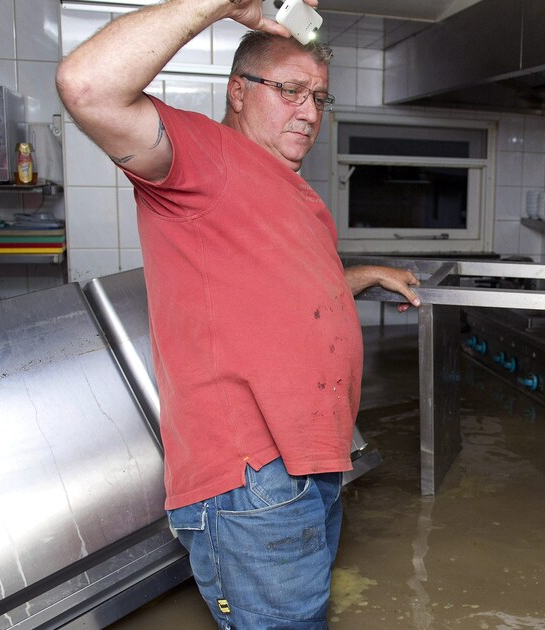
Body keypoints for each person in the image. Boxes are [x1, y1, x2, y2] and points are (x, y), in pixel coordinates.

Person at [56, 1, 421, 627]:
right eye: (290, 90)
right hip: (256, 478)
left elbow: (281, 290)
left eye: (319, 98)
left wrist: (361, 277)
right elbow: (86, 86)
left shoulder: (287, 188)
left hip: (308, 465)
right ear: (239, 91)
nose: (308, 112)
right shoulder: (205, 154)